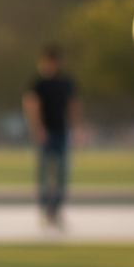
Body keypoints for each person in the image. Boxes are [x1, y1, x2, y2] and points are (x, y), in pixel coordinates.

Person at [22, 46, 80, 225]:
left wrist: (76, 128)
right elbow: (32, 106)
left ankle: (57, 208)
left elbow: (73, 106)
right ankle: (45, 207)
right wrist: (38, 129)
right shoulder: (38, 84)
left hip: (61, 131)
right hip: (45, 133)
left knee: (61, 172)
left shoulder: (65, 83)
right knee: (44, 173)